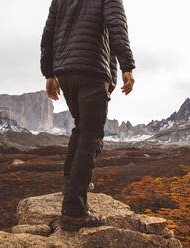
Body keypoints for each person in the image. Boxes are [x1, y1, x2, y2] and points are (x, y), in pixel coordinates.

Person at [40, 0, 135, 231]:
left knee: (81, 128)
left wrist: (49, 73)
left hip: (65, 71)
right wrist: (127, 66)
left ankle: (70, 185)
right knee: (91, 137)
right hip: (91, 69)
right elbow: (116, 25)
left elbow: (49, 32)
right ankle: (74, 210)